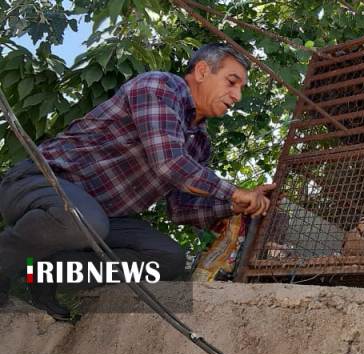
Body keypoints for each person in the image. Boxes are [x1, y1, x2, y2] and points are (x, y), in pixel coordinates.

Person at [0, 43, 273, 320]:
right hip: (40, 183)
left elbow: (180, 209)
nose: (237, 95)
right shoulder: (160, 87)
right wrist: (235, 192)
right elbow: (170, 163)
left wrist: (233, 206)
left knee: (167, 258)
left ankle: (45, 275)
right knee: (83, 221)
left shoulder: (200, 144)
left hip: (100, 217)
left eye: (241, 88)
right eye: (232, 82)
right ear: (202, 71)